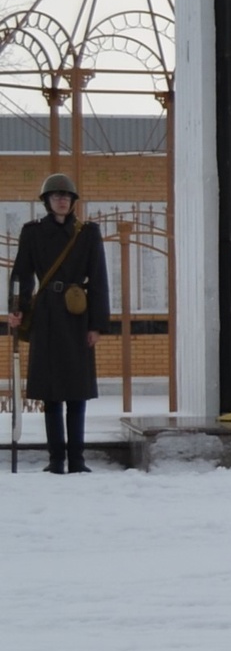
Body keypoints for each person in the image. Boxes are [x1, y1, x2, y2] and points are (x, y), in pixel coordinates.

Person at [9, 173, 110, 474]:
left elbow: (99, 280)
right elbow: (21, 276)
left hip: (78, 316)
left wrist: (97, 325)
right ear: (47, 201)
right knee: (51, 392)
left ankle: (77, 459)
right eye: (56, 196)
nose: (62, 200)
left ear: (73, 202)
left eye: (66, 197)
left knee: (77, 391)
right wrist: (17, 309)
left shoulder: (88, 233)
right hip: (46, 316)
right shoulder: (32, 233)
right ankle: (56, 459)